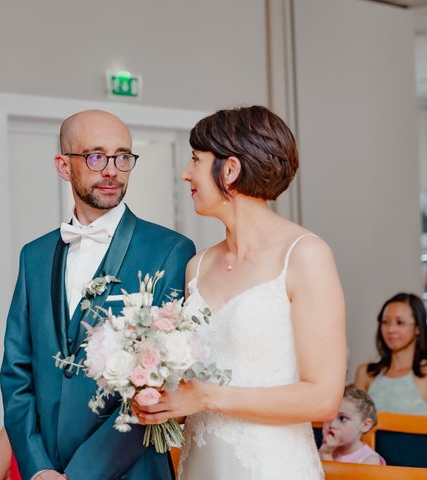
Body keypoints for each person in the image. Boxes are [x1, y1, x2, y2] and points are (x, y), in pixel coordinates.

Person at [134, 106, 346, 479]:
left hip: (272, 465)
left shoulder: (304, 255)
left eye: (196, 160)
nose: (186, 173)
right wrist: (159, 395)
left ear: (229, 170)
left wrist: (207, 396)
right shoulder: (197, 266)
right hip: (201, 462)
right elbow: (194, 380)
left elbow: (324, 398)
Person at [1, 110, 195, 480]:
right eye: (95, 156)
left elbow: (161, 383)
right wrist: (37, 466)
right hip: (46, 469)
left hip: (129, 469)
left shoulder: (170, 250)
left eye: (123, 157)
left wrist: (82, 474)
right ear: (63, 165)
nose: (112, 170)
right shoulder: (34, 256)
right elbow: (16, 372)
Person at [354, 293, 427, 414]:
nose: (391, 329)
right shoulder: (366, 373)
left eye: (400, 322)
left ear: (418, 328)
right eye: (385, 322)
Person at [319, 385, 385, 465]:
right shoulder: (320, 451)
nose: (332, 425)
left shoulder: (370, 460)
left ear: (365, 425)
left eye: (342, 418)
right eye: (329, 417)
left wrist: (326, 455)